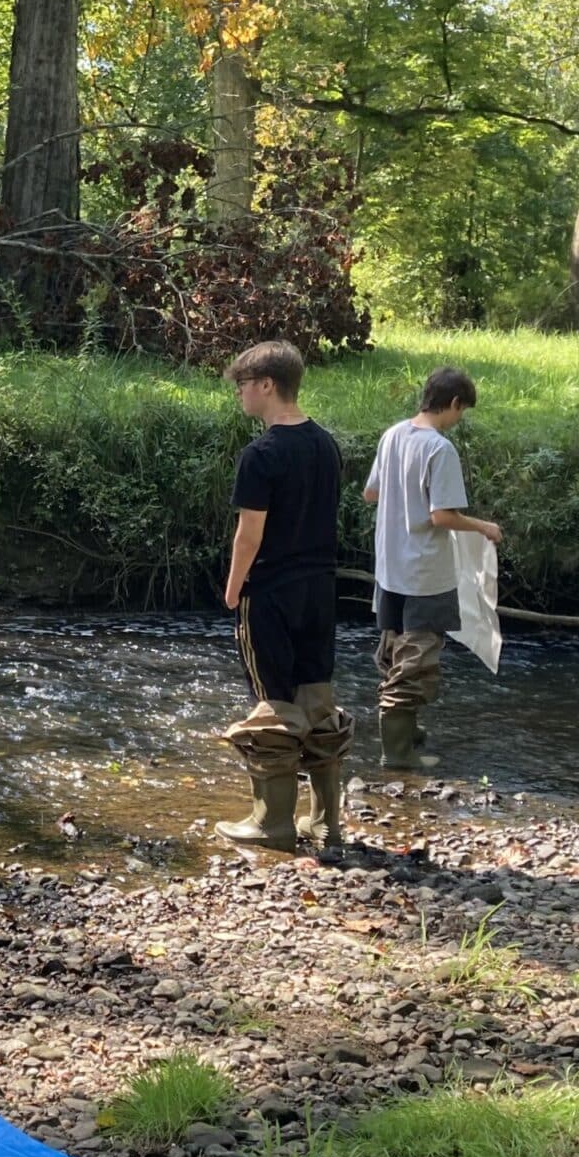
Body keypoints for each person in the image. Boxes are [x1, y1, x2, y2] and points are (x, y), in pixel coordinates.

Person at [217, 342, 351, 851]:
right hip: (321, 589)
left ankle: (271, 823)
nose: (240, 394)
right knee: (317, 700)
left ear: (267, 385)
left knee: (273, 705)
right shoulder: (326, 444)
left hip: (271, 591)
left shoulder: (261, 454)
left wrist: (233, 589)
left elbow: (249, 534)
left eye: (243, 385)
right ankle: (326, 823)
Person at [363, 367, 502, 770]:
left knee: (394, 655)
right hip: (424, 573)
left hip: (389, 570)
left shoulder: (392, 435)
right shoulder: (440, 449)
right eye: (462, 411)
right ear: (454, 403)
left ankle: (406, 733)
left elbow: (371, 493)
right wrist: (484, 527)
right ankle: (397, 754)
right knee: (417, 661)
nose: (460, 419)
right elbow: (442, 516)